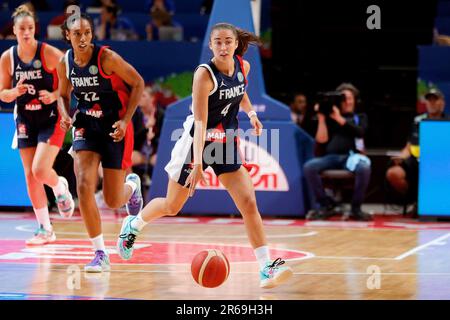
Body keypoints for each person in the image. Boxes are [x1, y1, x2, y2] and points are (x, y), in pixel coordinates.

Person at [116, 22, 293, 289]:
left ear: (235, 45)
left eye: (227, 42)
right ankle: (134, 224)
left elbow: (240, 92)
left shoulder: (243, 67)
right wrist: (198, 162)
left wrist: (252, 114)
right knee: (172, 206)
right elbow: (200, 122)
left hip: (225, 143)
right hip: (195, 143)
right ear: (210, 45)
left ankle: (266, 267)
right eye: (217, 42)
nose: (223, 46)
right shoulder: (204, 75)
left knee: (248, 203)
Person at [58, 11, 145, 272]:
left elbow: (138, 83)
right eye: (77, 34)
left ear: (92, 34)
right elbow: (62, 94)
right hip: (86, 123)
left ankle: (132, 186)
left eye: (87, 33)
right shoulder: (66, 61)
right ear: (67, 36)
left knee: (112, 200)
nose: (83, 39)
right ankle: (100, 253)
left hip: (113, 125)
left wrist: (126, 121)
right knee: (83, 184)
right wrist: (65, 115)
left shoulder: (106, 58)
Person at [0, 5, 75, 245]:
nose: (26, 33)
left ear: (35, 29)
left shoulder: (47, 53)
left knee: (40, 170)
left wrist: (54, 95)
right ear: (14, 30)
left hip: (51, 118)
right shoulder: (8, 58)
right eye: (22, 29)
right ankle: (45, 229)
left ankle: (60, 186)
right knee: (30, 177)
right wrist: (15, 91)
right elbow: (3, 93)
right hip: (25, 119)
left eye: (30, 28)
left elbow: (71, 74)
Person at [303, 83, 372, 221]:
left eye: (350, 98)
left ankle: (355, 208)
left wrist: (340, 119)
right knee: (309, 167)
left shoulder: (360, 117)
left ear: (355, 100)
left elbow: (360, 132)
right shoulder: (329, 118)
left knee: (364, 168)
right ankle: (326, 204)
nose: (347, 101)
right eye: (343, 98)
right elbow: (321, 140)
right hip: (331, 157)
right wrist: (322, 118)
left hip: (351, 158)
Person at [386, 88, 449, 205]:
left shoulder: (448, 121)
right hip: (417, 161)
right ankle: (416, 200)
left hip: (441, 164)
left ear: (442, 103)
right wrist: (401, 157)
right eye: (429, 100)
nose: (432, 103)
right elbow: (409, 146)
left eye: (435, 100)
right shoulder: (417, 121)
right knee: (393, 173)